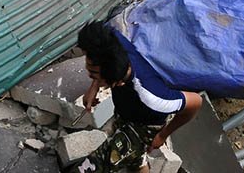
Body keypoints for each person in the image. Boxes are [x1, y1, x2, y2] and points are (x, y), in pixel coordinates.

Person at [73, 22, 202, 173]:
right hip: (125, 109)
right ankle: (137, 159)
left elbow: (196, 102)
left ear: (117, 83)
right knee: (135, 158)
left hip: (144, 126)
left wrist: (162, 135)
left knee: (97, 164)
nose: (89, 75)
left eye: (94, 74)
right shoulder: (112, 44)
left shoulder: (153, 97)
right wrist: (94, 86)